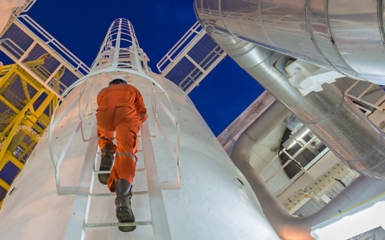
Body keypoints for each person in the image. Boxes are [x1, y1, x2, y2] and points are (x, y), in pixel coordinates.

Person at [95, 75, 147, 232]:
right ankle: (122, 201)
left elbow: (100, 106)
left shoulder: (103, 92)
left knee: (103, 134)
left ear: (111, 84)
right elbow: (142, 112)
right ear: (124, 83)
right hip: (125, 113)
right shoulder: (132, 89)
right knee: (126, 152)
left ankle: (107, 151)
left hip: (104, 115)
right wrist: (138, 122)